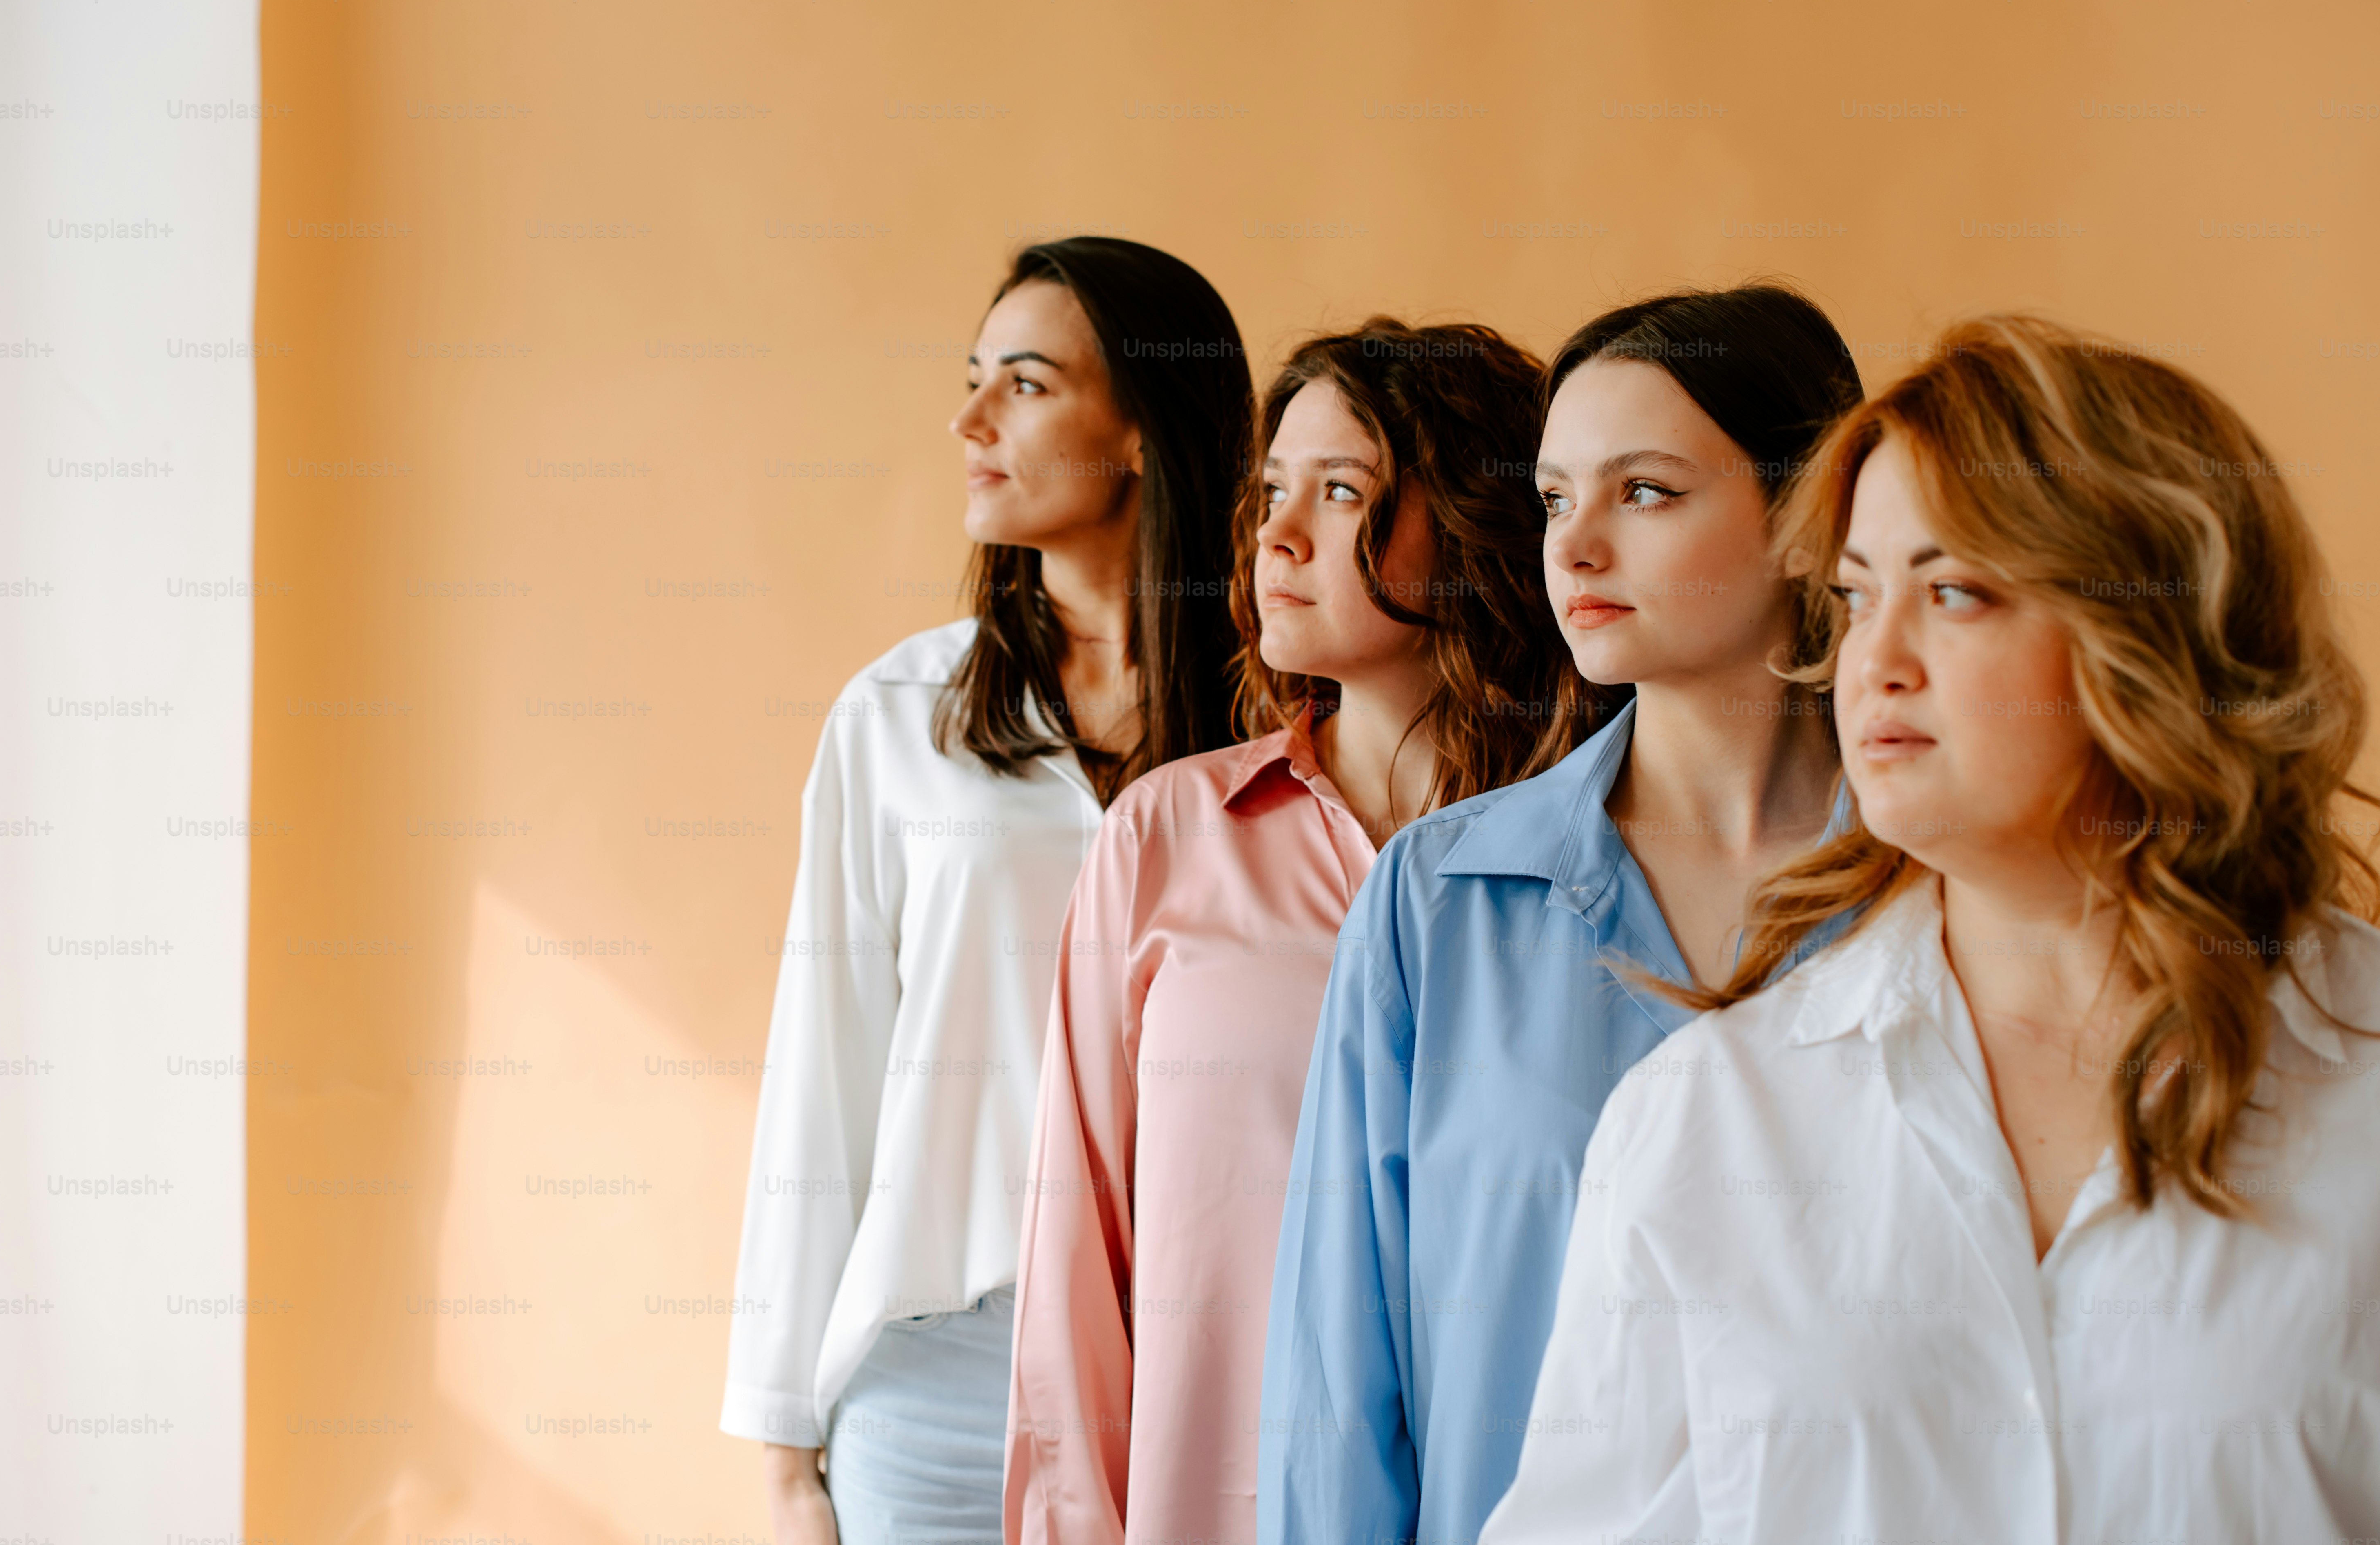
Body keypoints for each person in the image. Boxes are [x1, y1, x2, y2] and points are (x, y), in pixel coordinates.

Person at [1481, 315, 2380, 1544]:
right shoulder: (1709, 1112)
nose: (1874, 661)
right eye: (1855, 597)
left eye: (1954, 592)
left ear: (2158, 626)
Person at [1258, 285, 1865, 1545]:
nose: (1575, 547)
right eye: (1553, 499)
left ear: (1810, 518)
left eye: (1643, 492)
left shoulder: (1936, 899)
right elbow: (1337, 1381)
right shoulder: (1437, 902)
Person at [1005, 321, 1590, 1545]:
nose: (1279, 534)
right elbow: (1076, 1267)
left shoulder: (1593, 865)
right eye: (1274, 490)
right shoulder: (1165, 837)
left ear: (1478, 519)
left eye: (1342, 492)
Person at [721, 238, 1252, 1545]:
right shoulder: (903, 717)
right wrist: (788, 1454)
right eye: (974, 381)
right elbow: (821, 1073)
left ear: (1141, 430)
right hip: (941, 1376)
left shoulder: (1291, 716)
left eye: (1023, 383)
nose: (969, 421)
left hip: (1222, 1360)